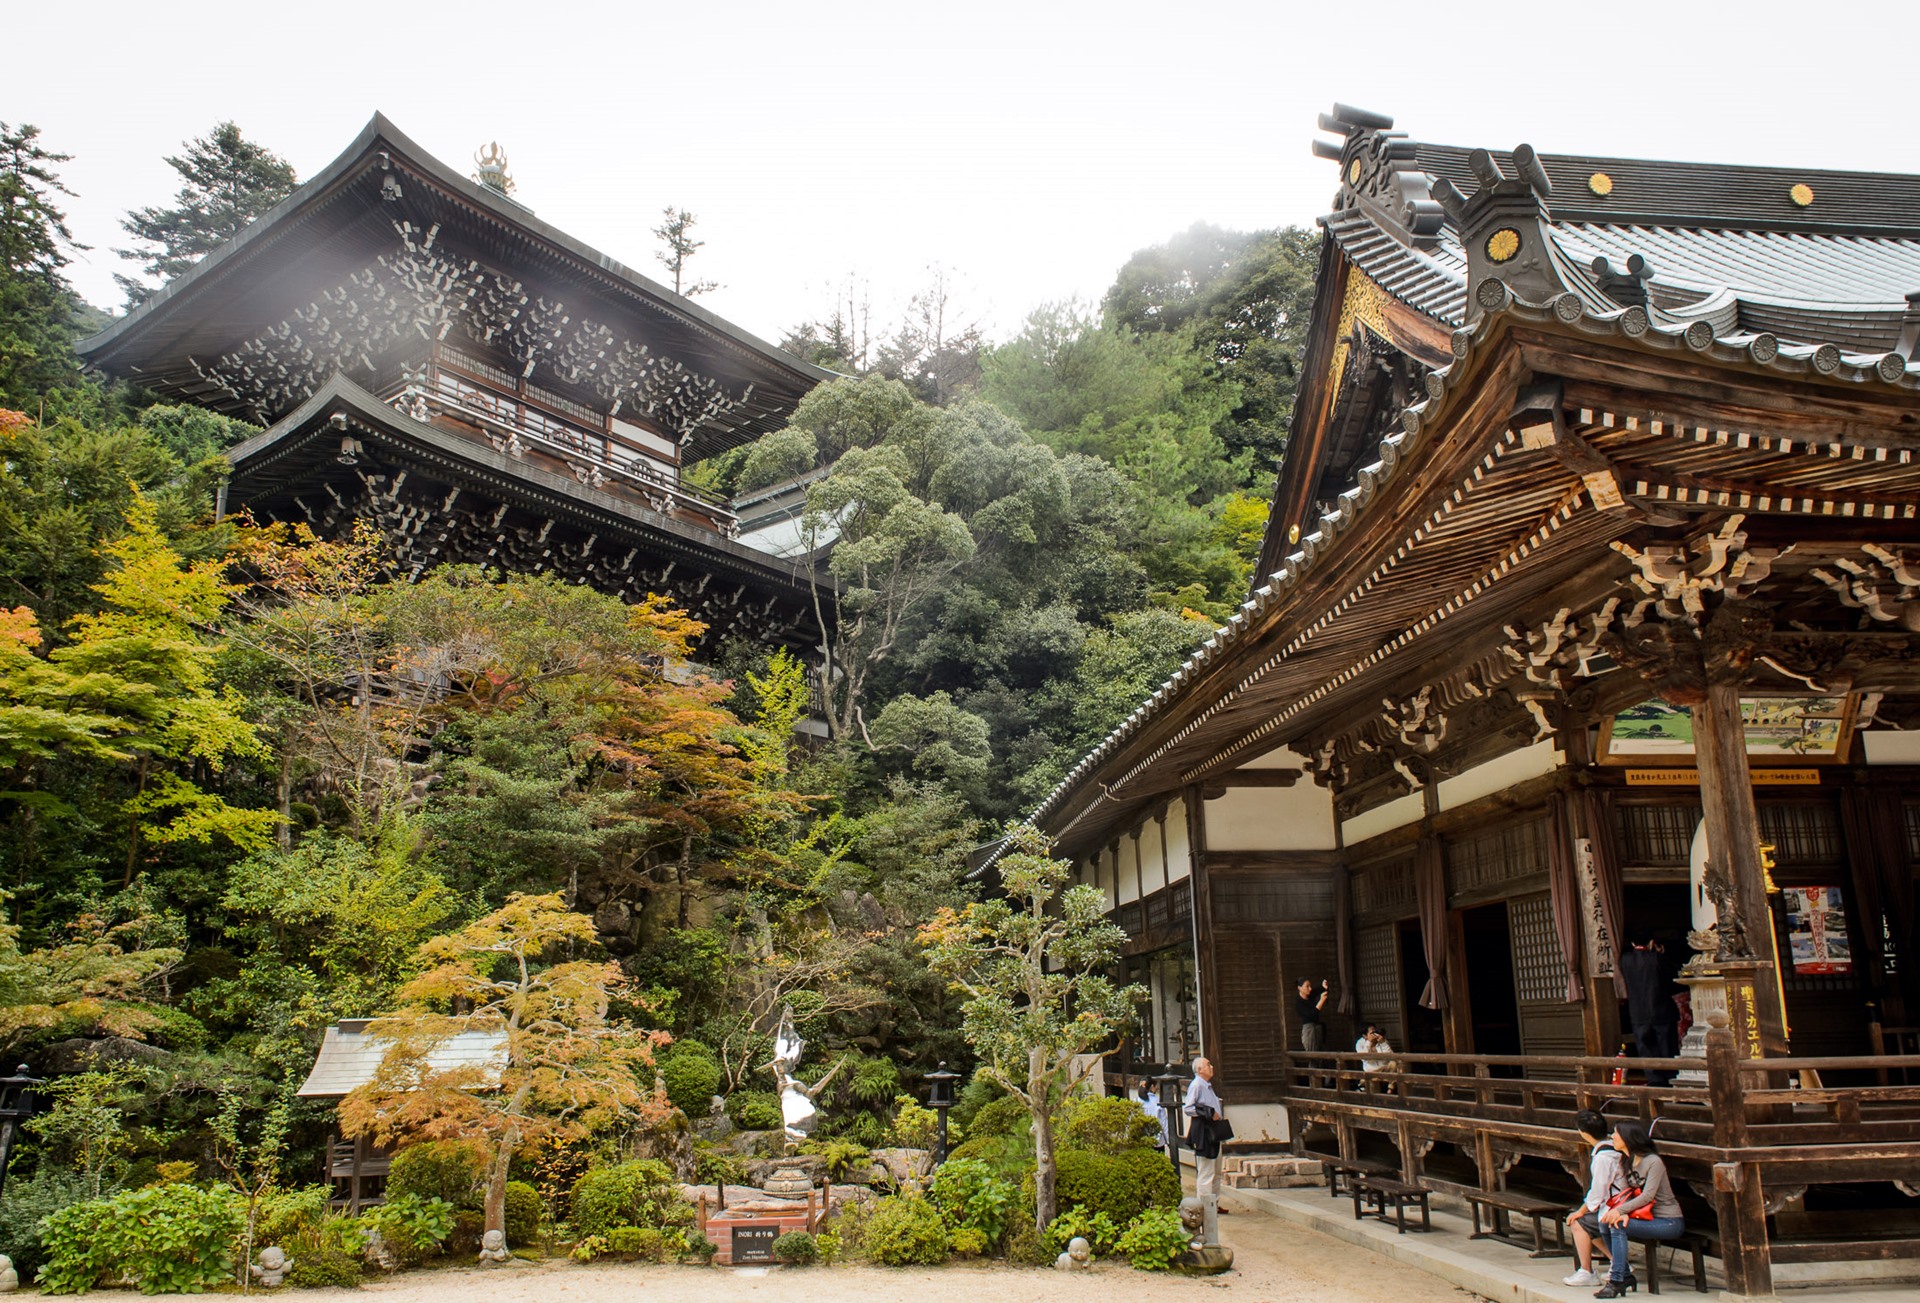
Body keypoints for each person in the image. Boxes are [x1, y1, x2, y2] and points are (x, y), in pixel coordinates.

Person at [1577, 1120, 1686, 1298]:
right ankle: (1625, 1274)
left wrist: (1620, 1211)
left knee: (1616, 1225)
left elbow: (1647, 1195)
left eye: (1616, 1134)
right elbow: (1629, 1193)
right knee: (1605, 1224)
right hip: (1645, 1217)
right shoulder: (1627, 1161)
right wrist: (1622, 1213)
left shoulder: (1653, 1161)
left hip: (1668, 1221)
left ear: (1628, 1138)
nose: (1612, 1137)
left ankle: (1617, 1280)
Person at [1562, 1109, 1620, 1287]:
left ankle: (1587, 1271)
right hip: (1619, 1204)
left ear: (1583, 1133)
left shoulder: (1603, 1157)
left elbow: (1598, 1192)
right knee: (1587, 1221)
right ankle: (1617, 1261)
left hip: (1616, 1207)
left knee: (1578, 1222)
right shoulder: (1614, 1147)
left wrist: (1581, 1211)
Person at [1619, 939, 1678, 1087]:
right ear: (1651, 942)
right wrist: (1662, 955)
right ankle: (1670, 1078)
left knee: (1645, 1047)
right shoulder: (1657, 958)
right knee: (1666, 1047)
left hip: (1638, 1012)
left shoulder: (1625, 960)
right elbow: (1672, 978)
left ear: (1632, 943)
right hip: (1661, 1010)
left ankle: (1654, 1079)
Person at [1183, 1056, 1226, 1241]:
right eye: (1208, 1064)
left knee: (1216, 1170)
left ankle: (1213, 1203)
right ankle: (1202, 1206)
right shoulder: (1197, 1085)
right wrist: (1208, 1113)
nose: (1211, 1066)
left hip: (1214, 1131)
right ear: (1200, 1069)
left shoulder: (1207, 1085)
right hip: (1205, 1131)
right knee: (1206, 1170)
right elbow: (1189, 1108)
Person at [1296, 977, 1331, 1052]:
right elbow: (1312, 1015)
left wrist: (1324, 986)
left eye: (1310, 986)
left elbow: (1318, 989)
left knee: (1321, 1055)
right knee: (1313, 1056)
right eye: (1307, 986)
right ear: (1299, 988)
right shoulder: (1298, 1002)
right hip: (1309, 1029)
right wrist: (1321, 1001)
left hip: (1317, 1027)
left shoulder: (1310, 995)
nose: (1310, 988)